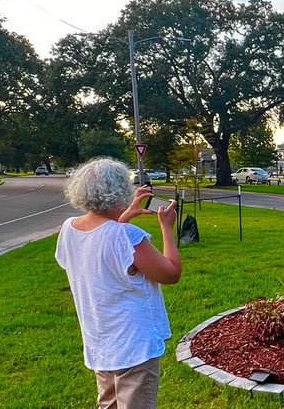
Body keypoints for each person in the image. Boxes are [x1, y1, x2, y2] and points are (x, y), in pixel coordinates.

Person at [55, 158, 181, 409]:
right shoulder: (126, 236)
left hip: (99, 341)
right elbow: (170, 274)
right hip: (133, 345)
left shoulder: (69, 229)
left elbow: (101, 247)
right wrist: (167, 228)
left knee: (108, 405)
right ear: (120, 191)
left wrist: (125, 215)